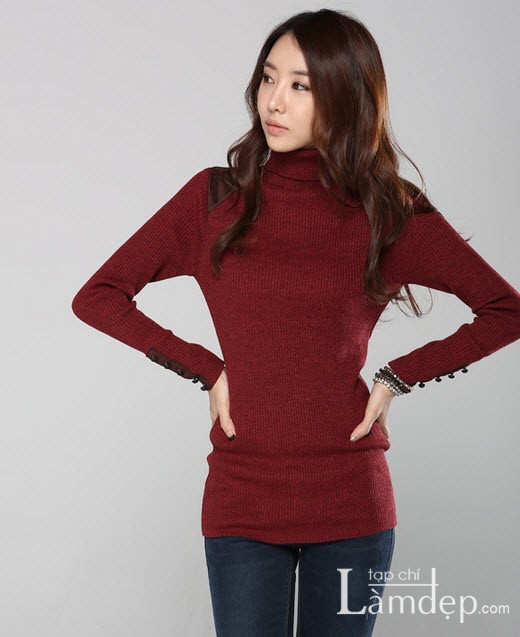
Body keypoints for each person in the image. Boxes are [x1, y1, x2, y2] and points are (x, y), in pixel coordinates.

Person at [71, 8, 520, 637]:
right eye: (268, 77)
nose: (273, 101)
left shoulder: (388, 209)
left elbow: (506, 310)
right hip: (242, 498)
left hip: (351, 500)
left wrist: (398, 376)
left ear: (345, 97)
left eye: (300, 85)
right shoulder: (215, 199)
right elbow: (98, 296)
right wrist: (206, 369)